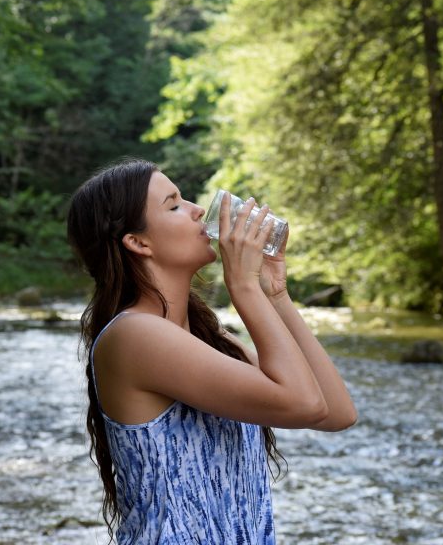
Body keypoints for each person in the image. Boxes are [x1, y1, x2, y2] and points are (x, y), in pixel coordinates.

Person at [66, 158, 357, 544]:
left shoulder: (206, 338)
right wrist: (245, 288)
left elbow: (336, 412)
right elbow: (304, 404)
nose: (198, 210)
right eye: (174, 205)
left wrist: (276, 294)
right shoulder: (135, 335)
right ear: (139, 243)